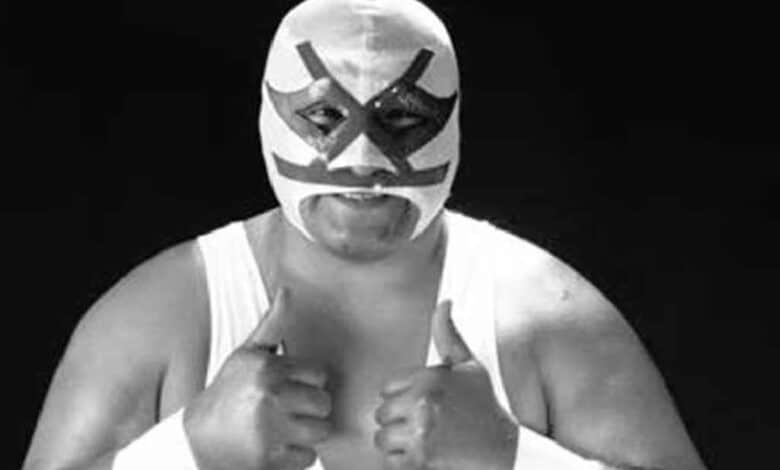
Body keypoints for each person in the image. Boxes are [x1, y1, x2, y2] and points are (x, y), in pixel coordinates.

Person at [23, 1, 707, 469]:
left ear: (452, 124)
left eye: (402, 120)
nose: (362, 161)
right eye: (324, 118)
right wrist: (188, 451)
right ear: (270, 115)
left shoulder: (544, 318)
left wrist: (514, 459)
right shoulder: (165, 314)